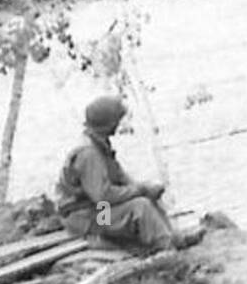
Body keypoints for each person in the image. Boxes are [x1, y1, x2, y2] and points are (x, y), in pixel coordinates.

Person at [56, 96, 197, 253]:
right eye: (117, 120)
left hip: (96, 209)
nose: (119, 124)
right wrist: (139, 191)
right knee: (141, 207)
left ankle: (172, 237)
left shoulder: (99, 144)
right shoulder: (89, 154)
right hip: (88, 218)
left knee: (148, 197)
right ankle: (165, 247)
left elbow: (120, 177)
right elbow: (102, 197)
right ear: (108, 123)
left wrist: (144, 188)